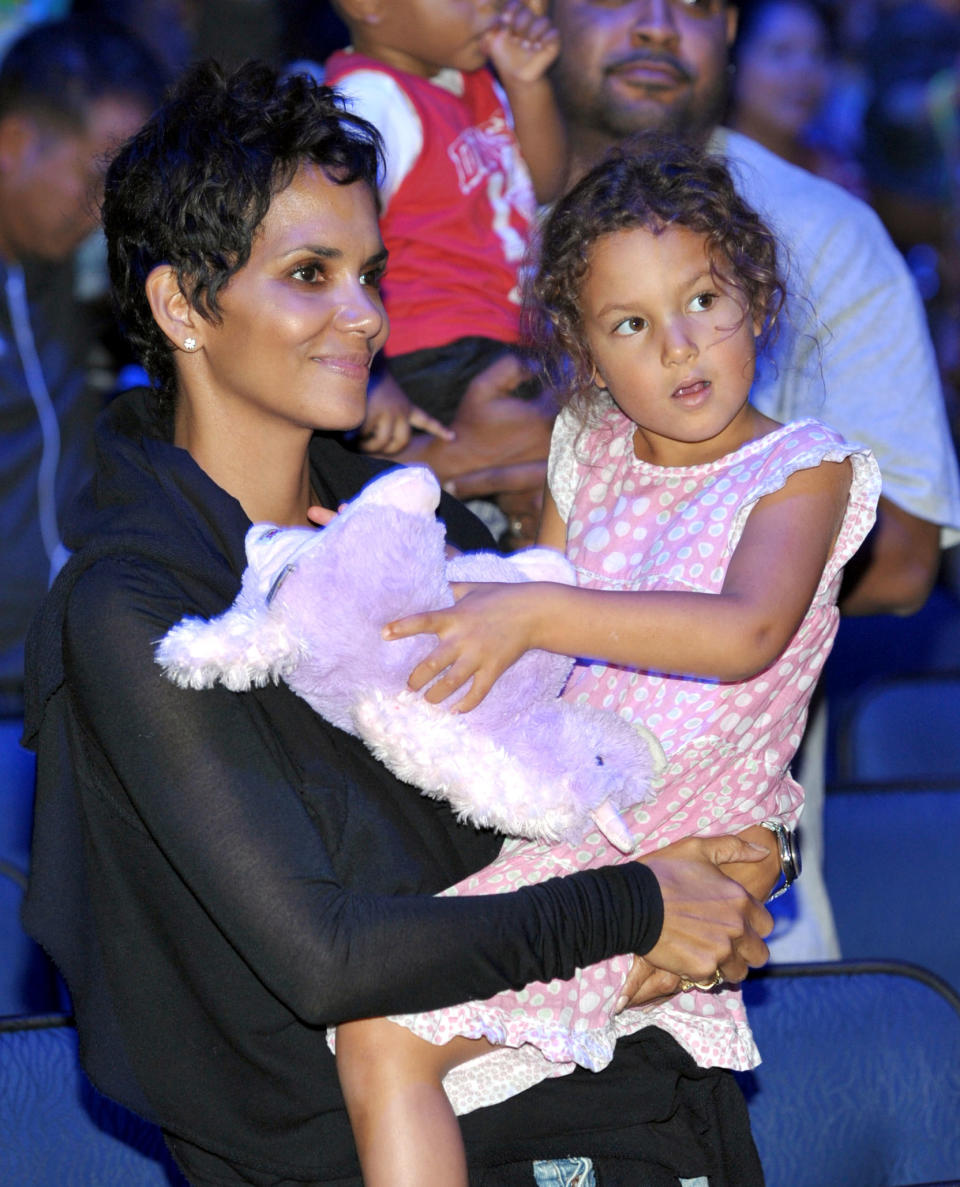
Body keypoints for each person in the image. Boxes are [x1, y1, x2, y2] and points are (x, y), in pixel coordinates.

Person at [21, 60, 776, 1187]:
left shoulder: (426, 524)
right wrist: (642, 901)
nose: (366, 315)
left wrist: (721, 862)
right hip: (347, 1146)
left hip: (614, 1098)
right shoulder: (137, 604)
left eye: (370, 273)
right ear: (183, 305)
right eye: (310, 274)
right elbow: (326, 956)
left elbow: (579, 788)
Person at [332, 131, 881, 1187]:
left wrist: (540, 612)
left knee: (384, 1039)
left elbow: (743, 632)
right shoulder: (586, 447)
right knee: (374, 1036)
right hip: (578, 837)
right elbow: (519, 597)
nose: (679, 346)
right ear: (584, 354)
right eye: (633, 324)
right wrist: (367, 569)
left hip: (683, 849)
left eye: (703, 302)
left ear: (756, 299)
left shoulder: (800, 470)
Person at [546, 0, 960, 961]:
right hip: (513, 847)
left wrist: (684, 498)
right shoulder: (445, 201)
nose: (655, 24)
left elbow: (899, 560)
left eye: (691, 1)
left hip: (728, 867)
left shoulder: (819, 233)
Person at [323, 0, 562, 537]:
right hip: (435, 345)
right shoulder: (369, 101)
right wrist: (372, 374)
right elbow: (331, 242)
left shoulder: (469, 77)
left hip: (503, 335)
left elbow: (546, 184)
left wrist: (526, 82)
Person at [0, 16, 164, 719]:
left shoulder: (64, 282)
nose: (105, 211)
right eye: (95, 176)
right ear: (14, 144)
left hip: (58, 691)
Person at [726, 0, 867, 196]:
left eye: (818, 54)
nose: (805, 70)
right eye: (781, 52)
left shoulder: (839, 179)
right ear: (734, 59)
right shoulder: (698, 170)